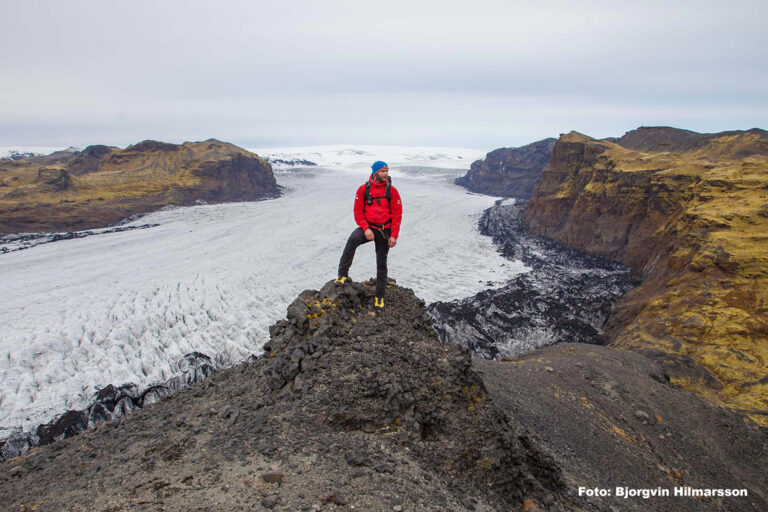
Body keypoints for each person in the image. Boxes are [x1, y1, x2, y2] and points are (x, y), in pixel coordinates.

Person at [335, 160, 402, 308]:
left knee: (381, 262)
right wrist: (365, 228)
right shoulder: (363, 190)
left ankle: (379, 296)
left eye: (387, 171)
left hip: (385, 230)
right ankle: (342, 274)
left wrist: (394, 235)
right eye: (383, 171)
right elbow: (358, 212)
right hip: (369, 227)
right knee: (353, 240)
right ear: (375, 172)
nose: (386, 174)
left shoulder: (392, 191)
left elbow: (397, 214)